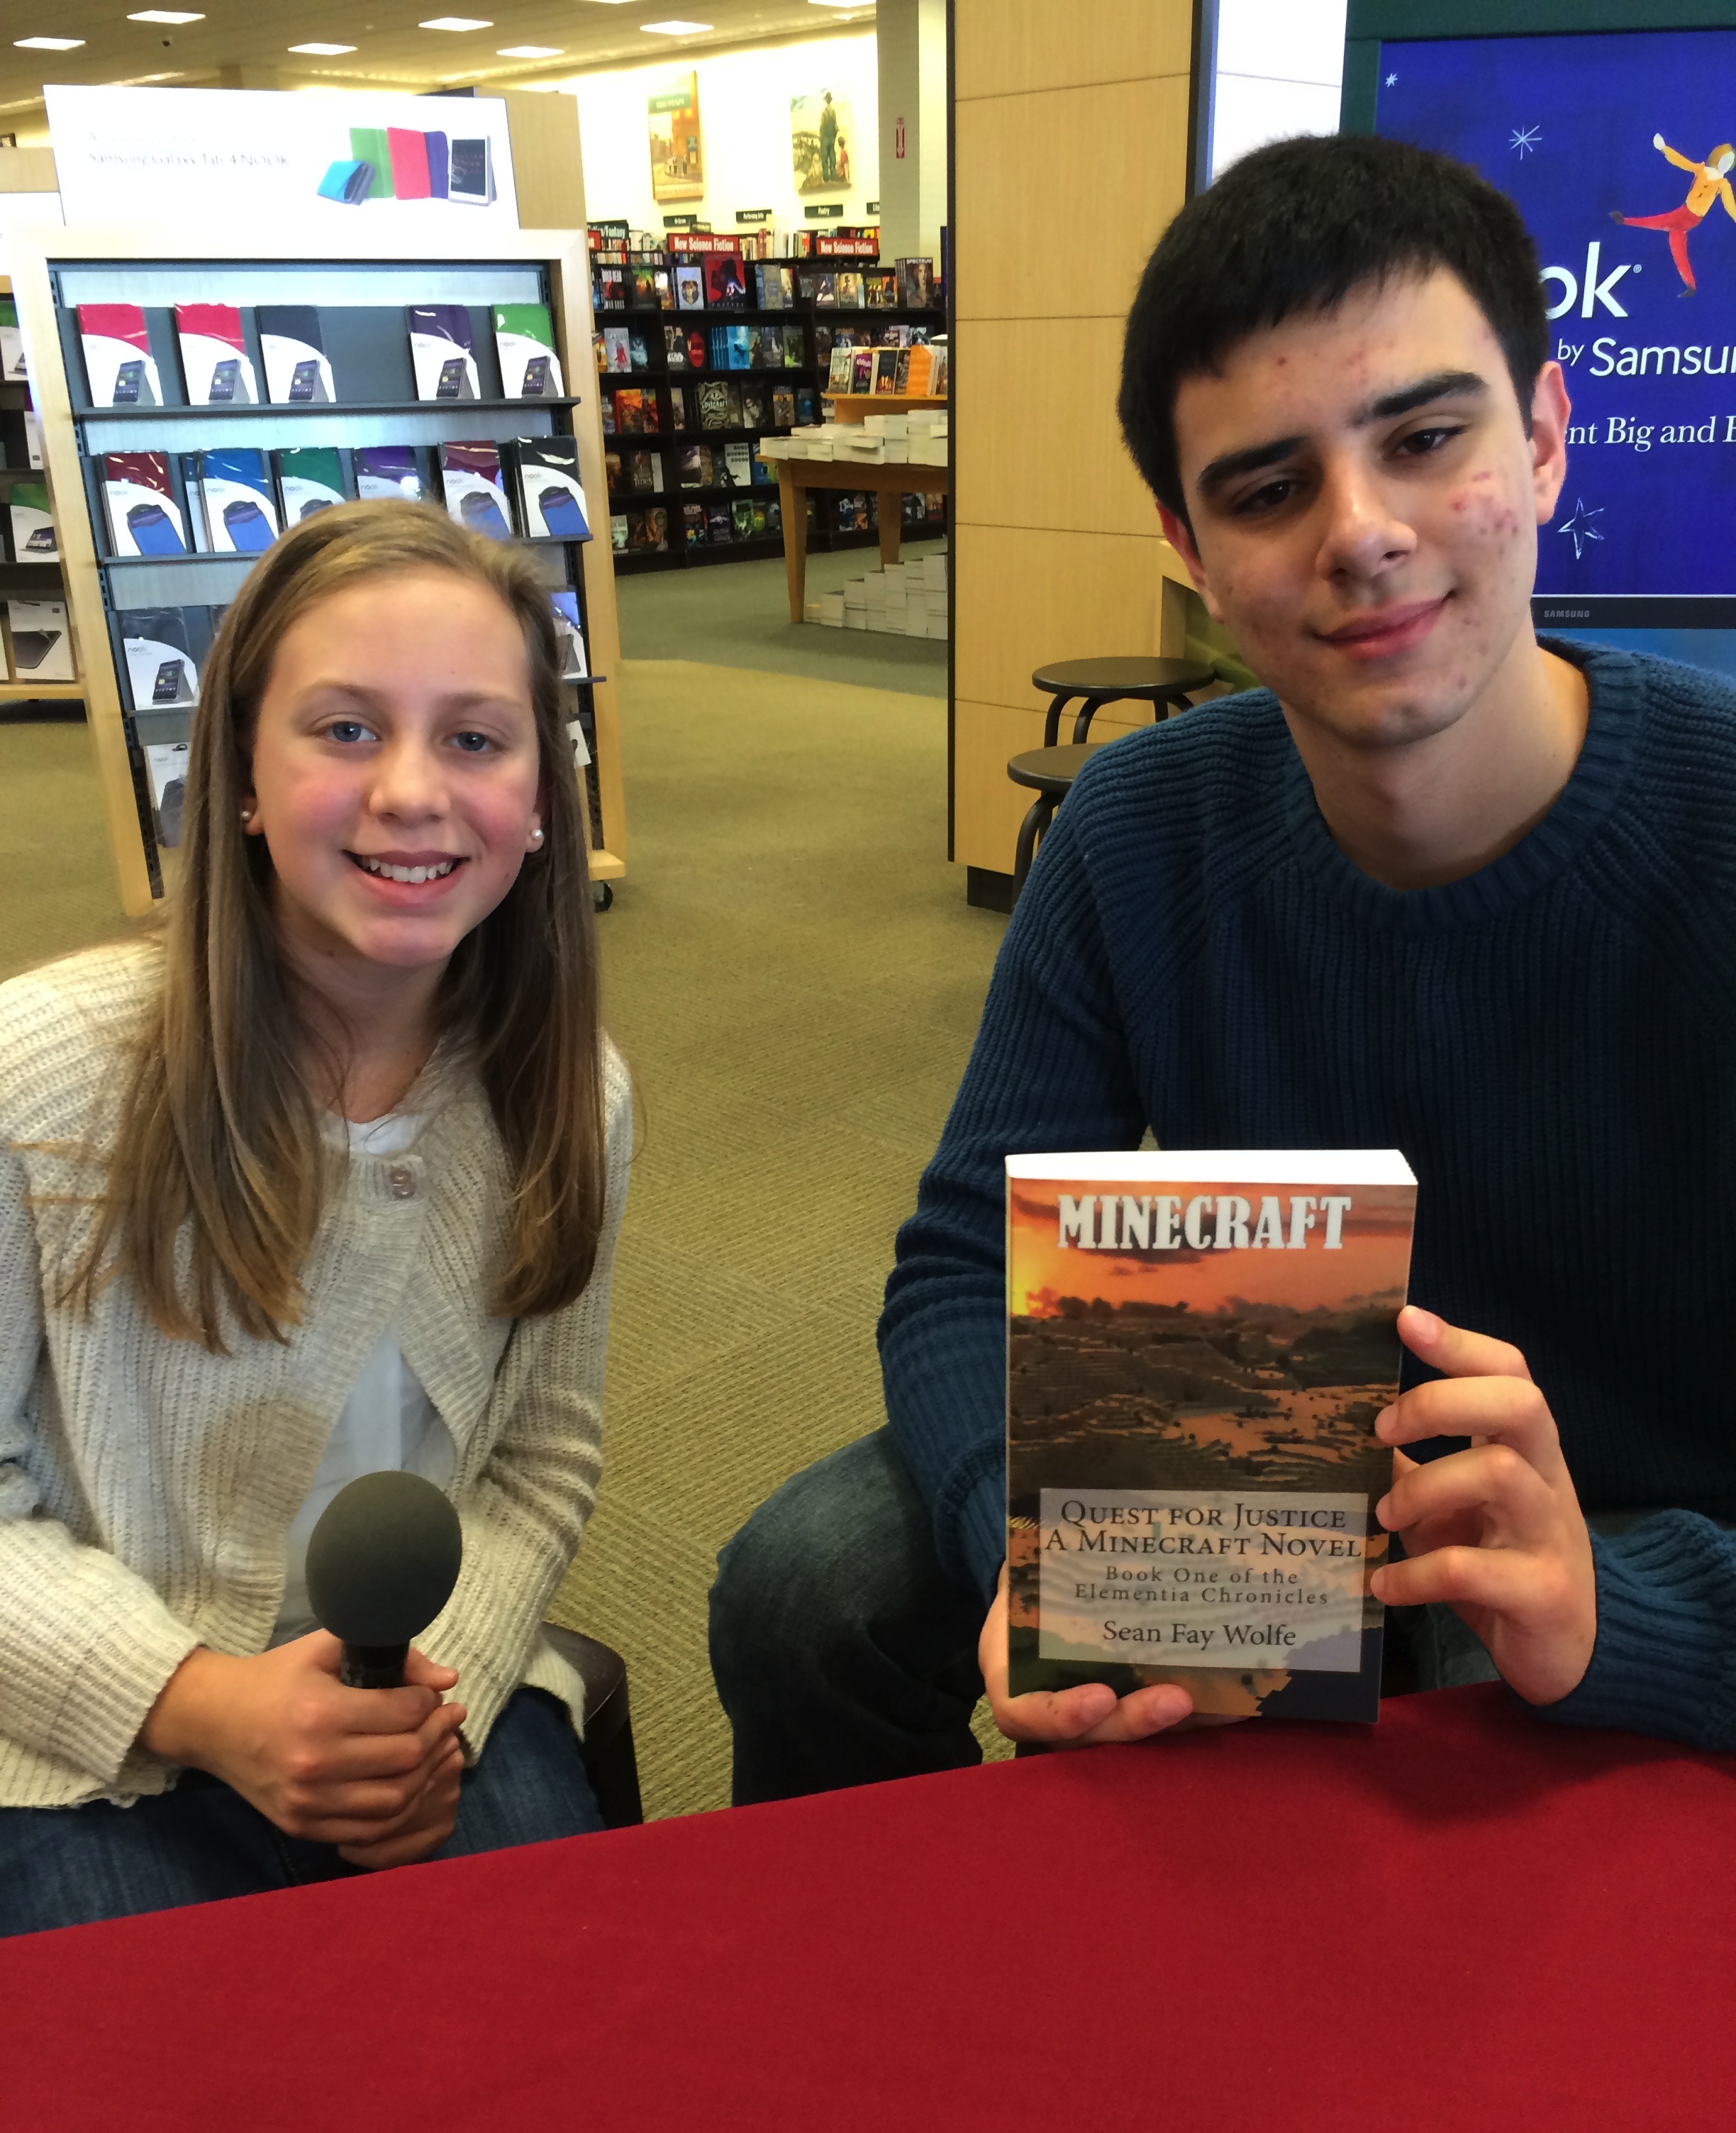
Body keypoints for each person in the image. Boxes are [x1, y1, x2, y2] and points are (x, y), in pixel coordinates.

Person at [710, 132, 1736, 1800]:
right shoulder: (1139, 823)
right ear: (1186, 548)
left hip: (1641, 1496)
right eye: (1264, 490)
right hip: (1231, 1432)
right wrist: (1020, 1546)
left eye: (1423, 438)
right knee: (806, 1586)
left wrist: (1628, 1604)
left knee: (1491, 1676)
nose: (1359, 534)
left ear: (1544, 440)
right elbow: (962, 1259)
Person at [0, 499, 630, 1934]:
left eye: (475, 738)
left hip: (422, 1694)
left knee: (549, 2052)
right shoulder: (33, 1076)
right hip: (82, 1729)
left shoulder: (566, 1095)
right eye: (345, 730)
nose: (413, 790)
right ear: (238, 776)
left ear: (540, 798)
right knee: (163, 2110)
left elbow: (541, 1456)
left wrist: (432, 1708)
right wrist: (201, 1703)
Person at [1613, 132, 1736, 296]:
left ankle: (1624, 221)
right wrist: (1665, 149)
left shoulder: (1723, 184)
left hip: (1691, 217)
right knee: (1677, 248)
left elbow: (1730, 205)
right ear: (1717, 157)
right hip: (1684, 214)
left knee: (1659, 223)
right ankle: (1691, 285)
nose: (1726, 165)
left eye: (1730, 163)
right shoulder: (1701, 170)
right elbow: (1682, 162)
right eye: (1725, 160)